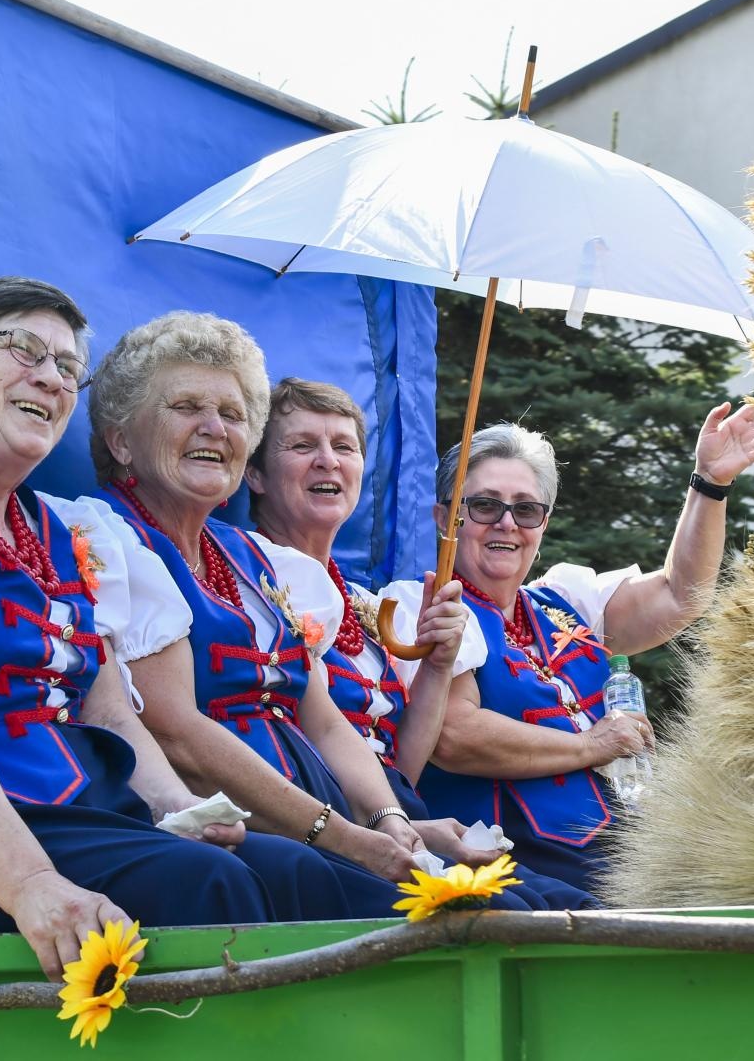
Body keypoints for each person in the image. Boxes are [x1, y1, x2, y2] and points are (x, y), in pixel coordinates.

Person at [0, 278, 387, 979]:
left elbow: (108, 706)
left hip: (56, 813)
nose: (50, 378)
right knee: (211, 890)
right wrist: (30, 885)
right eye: (22, 349)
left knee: (304, 875)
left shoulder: (59, 528)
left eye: (66, 367)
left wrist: (179, 805)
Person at [86, 312, 546, 903]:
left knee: (531, 902)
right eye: (185, 407)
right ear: (121, 440)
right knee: (475, 918)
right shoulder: (106, 541)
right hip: (239, 827)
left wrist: (391, 823)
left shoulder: (257, 561)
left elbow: (324, 718)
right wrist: (348, 838)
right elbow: (176, 731)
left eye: (232, 415)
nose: (213, 428)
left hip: (329, 817)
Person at [245, 378, 595, 909]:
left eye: (344, 447)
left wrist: (436, 666)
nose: (328, 462)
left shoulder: (368, 606)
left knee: (574, 906)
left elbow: (402, 766)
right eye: (302, 446)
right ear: (254, 472)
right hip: (311, 826)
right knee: (514, 915)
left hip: (396, 818)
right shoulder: (247, 581)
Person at [394, 409, 754, 894]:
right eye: (485, 506)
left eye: (526, 510)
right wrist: (592, 746)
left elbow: (681, 596)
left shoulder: (565, 600)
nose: (507, 523)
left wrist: (710, 483)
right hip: (516, 871)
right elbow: (453, 734)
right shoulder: (424, 604)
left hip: (632, 855)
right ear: (447, 518)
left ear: (543, 524)